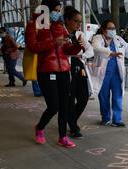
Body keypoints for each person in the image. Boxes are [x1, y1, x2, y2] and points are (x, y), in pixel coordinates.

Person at [27, 0, 83, 148]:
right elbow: (32, 47)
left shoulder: (60, 27)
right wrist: (53, 43)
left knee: (65, 106)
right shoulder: (34, 25)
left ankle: (62, 136)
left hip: (64, 71)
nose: (58, 13)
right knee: (53, 106)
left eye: (59, 10)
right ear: (45, 10)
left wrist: (77, 46)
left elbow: (67, 50)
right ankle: (39, 127)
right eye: (56, 10)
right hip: (46, 71)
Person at [91, 19, 128, 127]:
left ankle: (117, 119)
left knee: (117, 96)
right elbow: (96, 48)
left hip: (116, 73)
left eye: (113, 28)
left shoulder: (118, 39)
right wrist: (111, 53)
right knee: (103, 96)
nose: (112, 30)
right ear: (104, 30)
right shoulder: (98, 38)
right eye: (110, 28)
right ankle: (105, 118)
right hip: (102, 73)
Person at [63, 6, 94, 139]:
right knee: (69, 99)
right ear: (67, 20)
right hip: (66, 68)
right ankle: (74, 127)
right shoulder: (61, 33)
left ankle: (70, 120)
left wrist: (83, 56)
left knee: (83, 97)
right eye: (76, 21)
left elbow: (90, 50)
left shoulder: (79, 35)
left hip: (79, 66)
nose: (78, 24)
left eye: (80, 22)